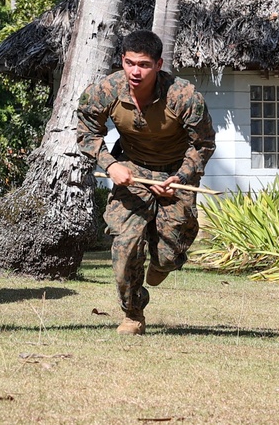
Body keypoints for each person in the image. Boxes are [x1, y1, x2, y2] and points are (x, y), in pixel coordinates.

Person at [76, 30, 215, 335]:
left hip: (174, 173)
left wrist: (180, 177)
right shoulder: (106, 89)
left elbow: (203, 144)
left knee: (168, 255)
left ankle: (162, 264)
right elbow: (86, 132)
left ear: (158, 64)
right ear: (122, 61)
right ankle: (132, 313)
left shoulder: (184, 95)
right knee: (125, 245)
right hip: (131, 168)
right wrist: (110, 165)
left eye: (144, 64)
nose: (135, 71)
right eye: (129, 63)